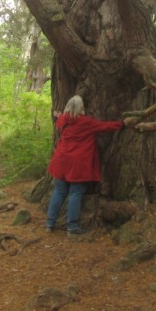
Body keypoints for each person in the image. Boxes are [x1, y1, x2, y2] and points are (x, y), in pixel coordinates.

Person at [45, 95, 124, 235]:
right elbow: (105, 126)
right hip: (77, 163)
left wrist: (57, 116)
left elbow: (58, 123)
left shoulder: (63, 119)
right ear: (81, 107)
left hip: (61, 160)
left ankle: (50, 223)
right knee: (75, 193)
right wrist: (122, 123)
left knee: (59, 191)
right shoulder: (86, 122)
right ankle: (72, 227)